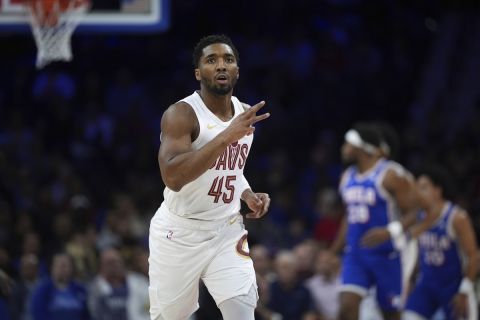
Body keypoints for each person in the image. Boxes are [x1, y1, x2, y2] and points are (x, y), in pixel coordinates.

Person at [148, 34, 271, 320]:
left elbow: (230, 169)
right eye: (211, 60)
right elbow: (174, 177)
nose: (221, 66)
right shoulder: (182, 114)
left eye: (228, 60)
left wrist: (247, 194)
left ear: (237, 71)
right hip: (179, 233)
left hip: (226, 228)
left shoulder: (242, 114)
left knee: (242, 311)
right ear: (198, 72)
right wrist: (227, 135)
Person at [332, 122, 418, 320]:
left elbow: (415, 212)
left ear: (363, 148)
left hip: (387, 254)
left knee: (390, 313)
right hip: (356, 254)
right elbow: (349, 217)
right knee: (346, 308)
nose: (343, 149)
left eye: (348, 144)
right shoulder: (346, 177)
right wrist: (333, 250)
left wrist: (390, 231)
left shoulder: (391, 174)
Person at [403, 165, 478, 320]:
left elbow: (474, 256)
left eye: (423, 187)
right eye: (416, 187)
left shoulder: (456, 217)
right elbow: (417, 254)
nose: (417, 192)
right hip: (426, 286)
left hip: (454, 287)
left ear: (437, 190)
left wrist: (464, 289)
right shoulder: (418, 218)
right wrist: (410, 280)